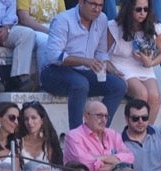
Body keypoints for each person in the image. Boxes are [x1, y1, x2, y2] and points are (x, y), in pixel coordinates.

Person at [39, 0, 127, 129]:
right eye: (93, 4)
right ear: (81, 2)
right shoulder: (63, 20)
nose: (97, 9)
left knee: (118, 85)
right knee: (80, 84)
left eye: (100, 6)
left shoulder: (102, 19)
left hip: (83, 72)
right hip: (54, 71)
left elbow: (101, 53)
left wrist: (112, 69)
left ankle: (98, 129)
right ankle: (77, 135)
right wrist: (85, 61)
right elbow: (54, 56)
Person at [107, 0, 161, 124]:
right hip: (120, 65)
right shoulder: (114, 26)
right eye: (138, 9)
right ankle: (133, 132)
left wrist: (151, 62)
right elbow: (102, 52)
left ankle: (147, 132)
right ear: (129, 9)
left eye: (146, 9)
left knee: (155, 96)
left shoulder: (154, 26)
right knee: (142, 93)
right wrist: (110, 68)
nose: (143, 13)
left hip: (144, 66)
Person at [63, 100, 135, 171]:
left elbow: (130, 157)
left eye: (106, 116)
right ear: (86, 116)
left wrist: (100, 158)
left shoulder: (113, 134)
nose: (104, 120)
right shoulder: (73, 136)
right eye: (99, 115)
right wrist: (116, 164)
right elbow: (83, 166)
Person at [0, 0, 37, 94]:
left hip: (4, 28)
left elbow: (11, 11)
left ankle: (19, 77)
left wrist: (6, 27)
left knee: (27, 33)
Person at [16, 102, 64, 171]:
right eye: (26, 119)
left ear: (42, 120)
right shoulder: (18, 143)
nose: (29, 122)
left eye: (33, 118)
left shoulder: (49, 143)